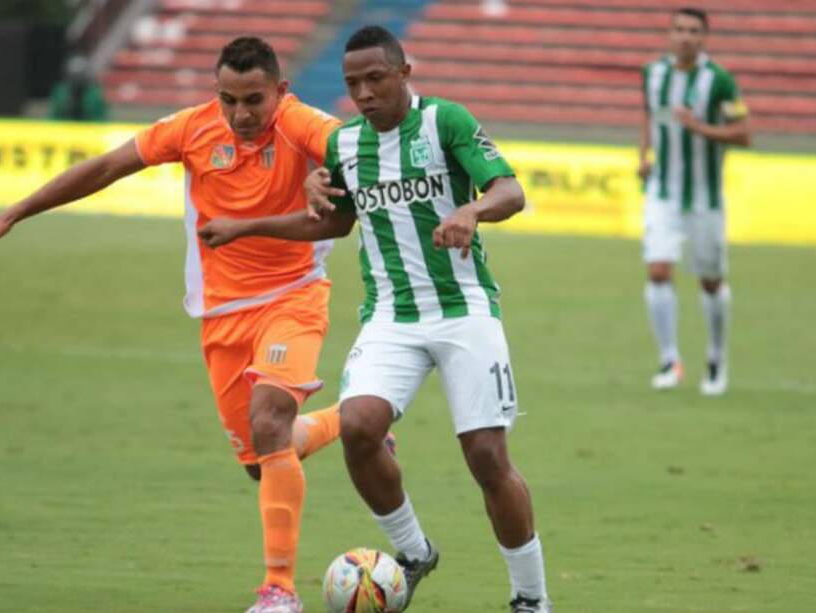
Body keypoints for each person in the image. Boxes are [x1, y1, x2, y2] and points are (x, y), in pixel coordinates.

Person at [0, 37, 349, 613]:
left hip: (292, 298)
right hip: (220, 312)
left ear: (281, 91)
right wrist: (13, 213)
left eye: (254, 100)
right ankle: (355, 418)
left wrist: (332, 173)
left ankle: (279, 591)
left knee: (270, 420)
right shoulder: (192, 129)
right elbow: (105, 167)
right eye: (229, 100)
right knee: (261, 459)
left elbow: (352, 147)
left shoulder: (303, 124)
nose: (242, 114)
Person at [198, 25, 553, 613]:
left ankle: (530, 598)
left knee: (487, 457)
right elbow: (333, 223)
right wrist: (248, 225)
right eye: (352, 84)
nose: (363, 93)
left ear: (404, 73)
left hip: (464, 310)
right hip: (390, 314)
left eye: (374, 79)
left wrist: (472, 208)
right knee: (360, 428)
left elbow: (510, 192)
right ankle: (414, 553)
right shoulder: (343, 146)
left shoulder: (446, 123)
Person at [638, 7, 752, 396]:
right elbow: (647, 116)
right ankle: (670, 360)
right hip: (662, 195)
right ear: (670, 34)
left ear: (705, 38)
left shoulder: (718, 81)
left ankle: (716, 360)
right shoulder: (653, 74)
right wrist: (644, 156)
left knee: (710, 281)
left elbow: (744, 134)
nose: (686, 37)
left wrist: (699, 127)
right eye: (680, 30)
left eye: (694, 31)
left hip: (704, 198)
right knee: (657, 272)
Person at [48, 54, 109, 122]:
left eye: (80, 77)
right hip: (63, 127)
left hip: (89, 127)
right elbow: (55, 116)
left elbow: (99, 118)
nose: (77, 81)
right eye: (74, 77)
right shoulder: (60, 91)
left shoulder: (95, 93)